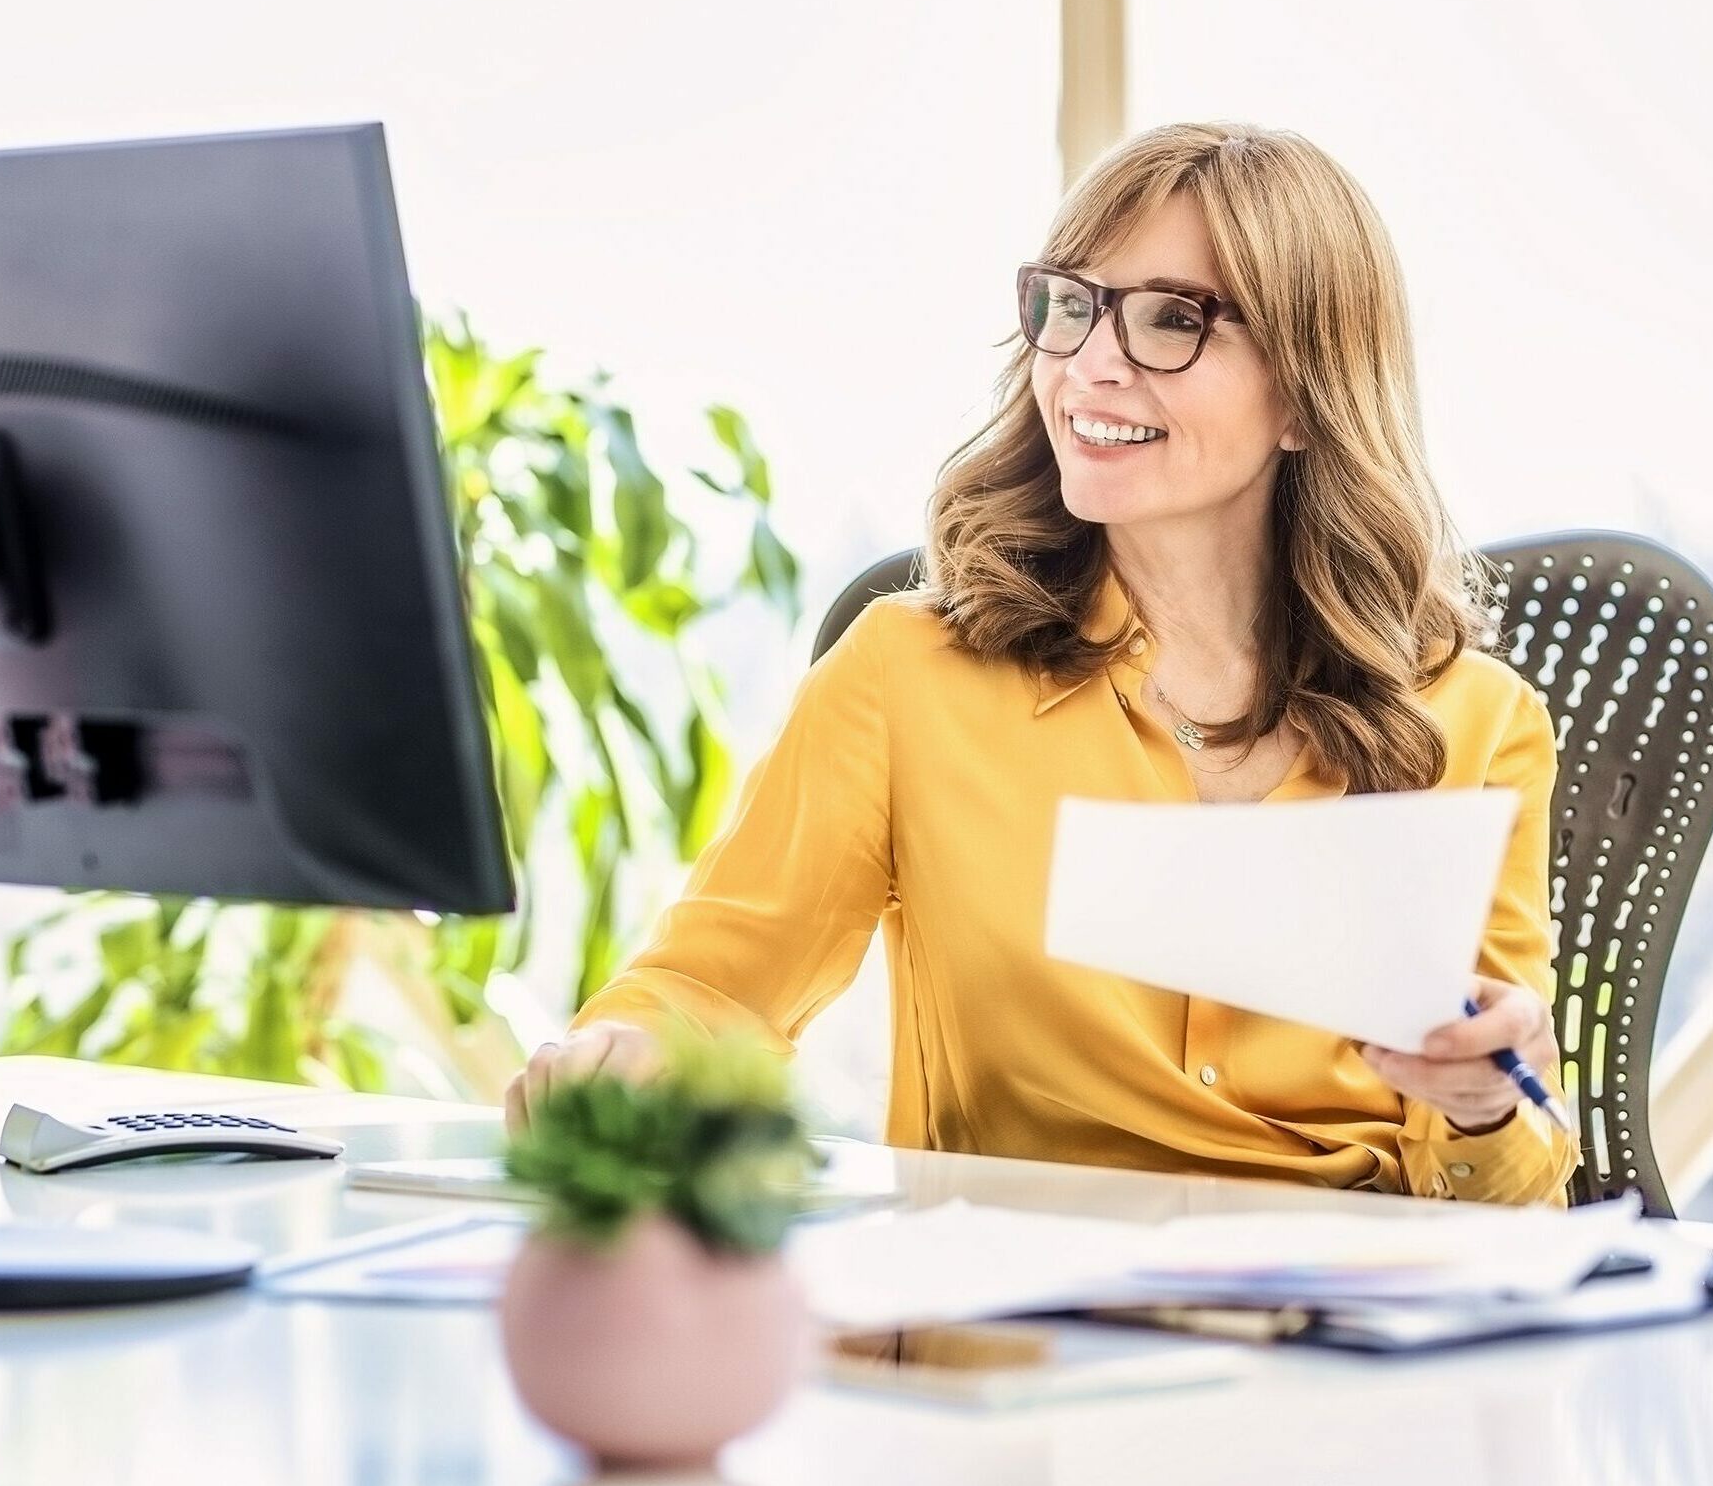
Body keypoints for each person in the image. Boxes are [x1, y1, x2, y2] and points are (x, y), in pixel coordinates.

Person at [507, 121, 1576, 1205]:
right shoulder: (908, 677)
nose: (1089, 364)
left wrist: (1488, 1097)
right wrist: (628, 1060)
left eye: (1171, 320)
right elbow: (713, 991)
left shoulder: (1478, 724)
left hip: (1359, 1333)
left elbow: (1515, 1177)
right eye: (1072, 306)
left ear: (1304, 394)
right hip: (1024, 1324)